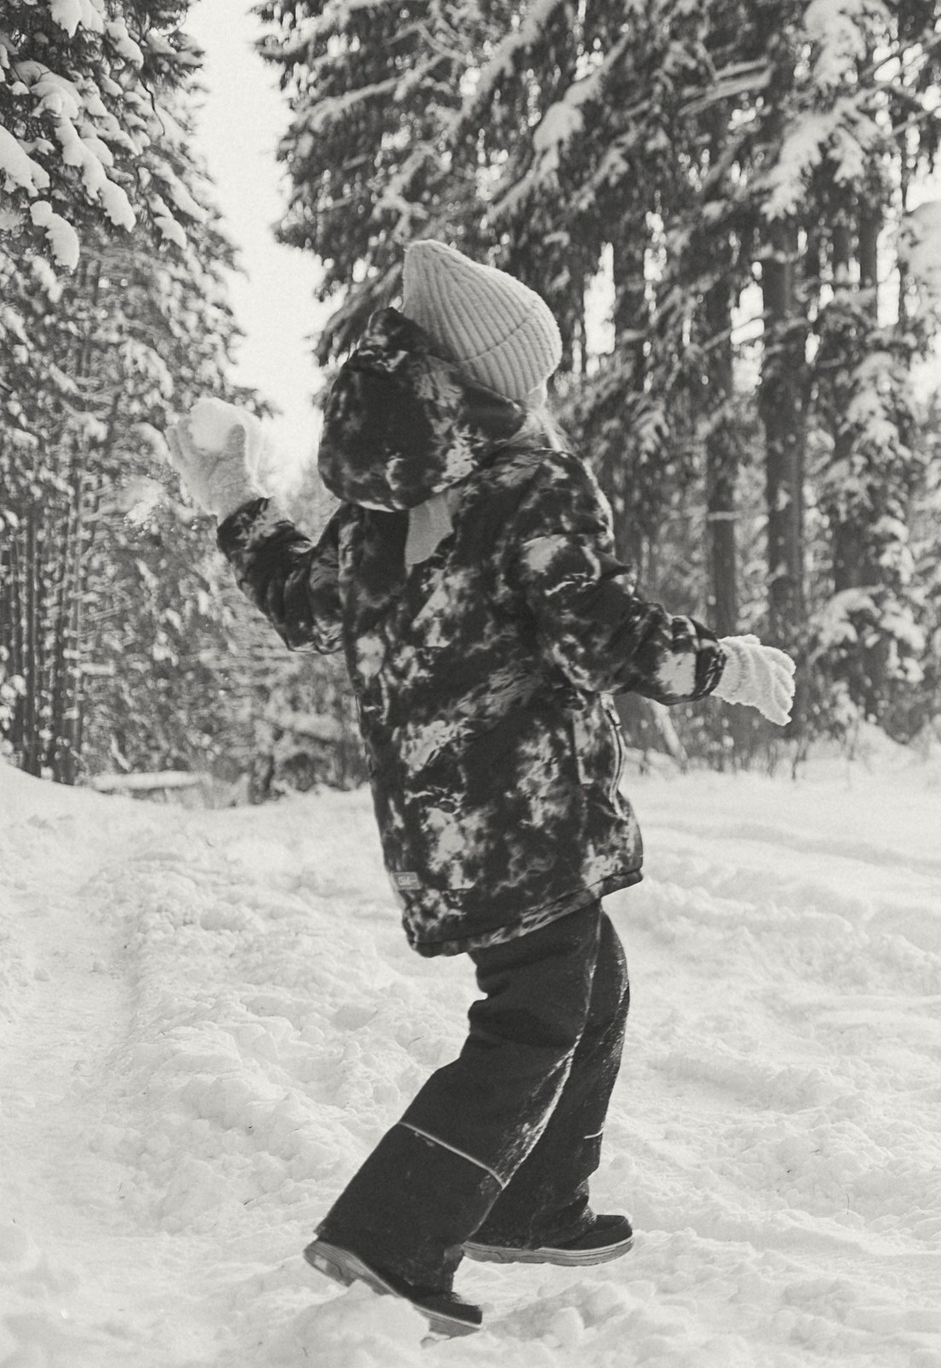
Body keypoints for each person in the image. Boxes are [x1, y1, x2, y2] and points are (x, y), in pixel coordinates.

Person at [170, 240, 797, 1338]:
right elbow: (601, 635)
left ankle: (533, 1201)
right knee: (536, 1014)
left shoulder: (381, 507)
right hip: (530, 814)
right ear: (491, 378)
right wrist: (722, 665)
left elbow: (305, 604)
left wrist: (234, 499)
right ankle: (392, 1234)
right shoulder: (530, 487)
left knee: (591, 985)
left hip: (440, 823)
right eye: (533, 371)